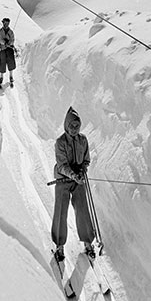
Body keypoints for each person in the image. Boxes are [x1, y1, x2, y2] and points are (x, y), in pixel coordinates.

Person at [51, 107, 95, 262]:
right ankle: (59, 246)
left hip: (77, 180)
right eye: (72, 126)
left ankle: (88, 243)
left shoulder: (83, 140)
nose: (75, 129)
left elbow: (86, 160)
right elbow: (62, 165)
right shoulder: (60, 142)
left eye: (77, 126)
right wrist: (74, 175)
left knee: (83, 209)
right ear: (66, 125)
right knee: (61, 211)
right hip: (63, 179)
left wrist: (82, 170)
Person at [0, 18, 16, 88]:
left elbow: (13, 39)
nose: (6, 24)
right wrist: (5, 43)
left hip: (9, 49)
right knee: (2, 62)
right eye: (5, 23)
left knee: (10, 62)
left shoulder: (11, 32)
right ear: (3, 23)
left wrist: (9, 43)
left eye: (7, 23)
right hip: (3, 49)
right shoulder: (0, 31)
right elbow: (0, 39)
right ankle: (1, 77)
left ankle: (11, 76)